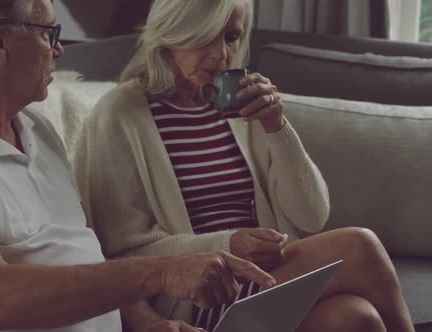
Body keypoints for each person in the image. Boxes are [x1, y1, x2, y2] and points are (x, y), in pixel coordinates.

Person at [0, 1, 278, 332]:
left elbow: (86, 255)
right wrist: (162, 273)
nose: (59, 49)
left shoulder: (36, 128)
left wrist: (149, 324)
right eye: (49, 33)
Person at [74, 0, 415, 331]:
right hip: (198, 298)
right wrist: (229, 244)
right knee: (359, 245)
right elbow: (123, 251)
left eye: (232, 37)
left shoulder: (240, 105)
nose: (222, 54)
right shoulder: (118, 114)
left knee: (356, 318)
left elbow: (312, 216)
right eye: (207, 35)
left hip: (264, 279)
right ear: (173, 33)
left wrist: (277, 127)